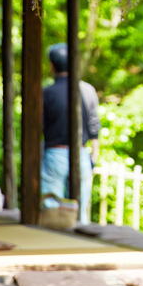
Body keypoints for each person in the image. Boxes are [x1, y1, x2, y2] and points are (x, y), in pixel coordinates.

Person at [41, 42, 101, 219]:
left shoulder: (46, 93)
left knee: (52, 208)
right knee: (81, 212)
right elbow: (94, 124)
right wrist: (94, 155)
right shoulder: (87, 90)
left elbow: (40, 126)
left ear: (52, 66)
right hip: (82, 154)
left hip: (54, 153)